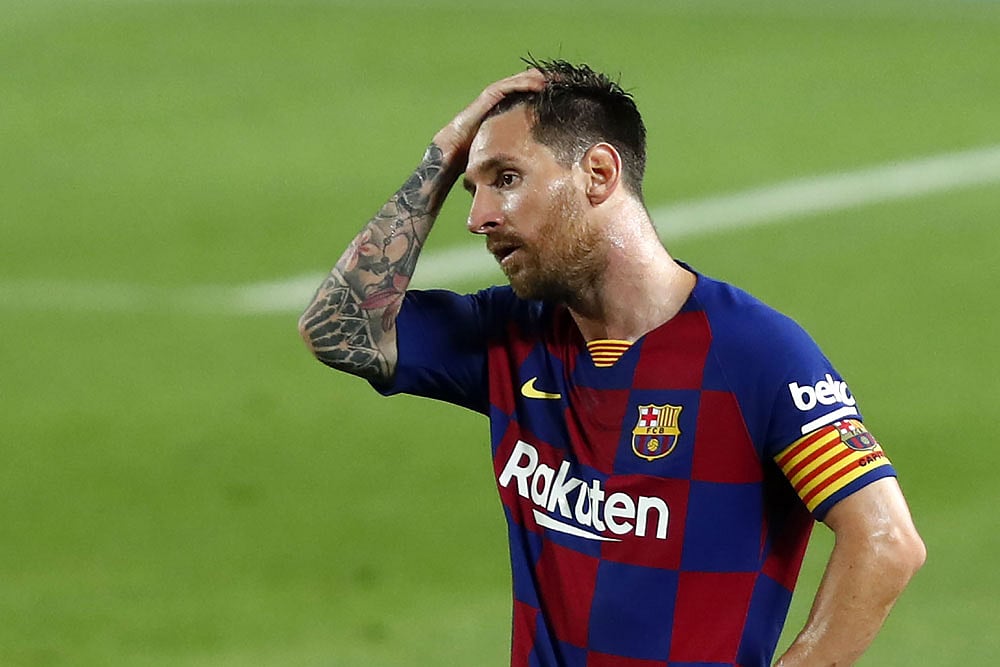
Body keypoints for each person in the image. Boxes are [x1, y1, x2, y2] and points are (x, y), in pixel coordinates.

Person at [298, 58, 926, 667]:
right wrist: (441, 156)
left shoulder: (753, 354)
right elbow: (339, 328)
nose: (478, 218)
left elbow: (886, 542)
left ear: (598, 173)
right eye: (473, 187)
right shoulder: (510, 335)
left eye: (507, 179)